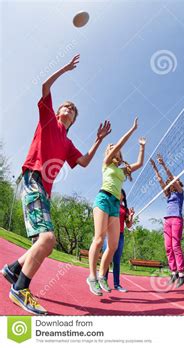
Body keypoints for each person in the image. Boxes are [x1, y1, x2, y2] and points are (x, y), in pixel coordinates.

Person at [2, 54, 112, 314]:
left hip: (44, 192)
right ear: (58, 111)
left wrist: (98, 140)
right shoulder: (48, 119)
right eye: (66, 106)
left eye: (73, 110)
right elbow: (45, 88)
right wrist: (64, 69)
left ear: (73, 120)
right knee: (48, 238)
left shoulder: (67, 143)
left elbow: (84, 161)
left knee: (44, 242)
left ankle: (13, 269)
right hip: (32, 179)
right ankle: (20, 289)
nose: (69, 109)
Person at [87, 118, 145, 296]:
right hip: (103, 198)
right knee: (98, 239)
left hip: (115, 204)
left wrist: (142, 146)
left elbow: (140, 164)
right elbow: (119, 144)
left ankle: (103, 276)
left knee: (112, 246)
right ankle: (92, 276)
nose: (115, 150)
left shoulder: (122, 170)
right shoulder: (106, 163)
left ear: (120, 158)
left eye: (116, 150)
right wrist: (132, 129)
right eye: (112, 149)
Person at [150, 154, 184, 288]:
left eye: (172, 182)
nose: (169, 184)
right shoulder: (169, 195)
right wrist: (155, 168)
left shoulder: (180, 192)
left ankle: (182, 273)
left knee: (175, 246)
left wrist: (163, 164)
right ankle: (173, 272)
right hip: (167, 221)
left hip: (176, 219)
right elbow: (160, 180)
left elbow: (171, 178)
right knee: (168, 247)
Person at [102, 189, 135, 292]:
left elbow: (129, 225)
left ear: (123, 196)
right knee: (107, 258)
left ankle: (117, 285)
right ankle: (104, 281)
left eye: (119, 192)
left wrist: (131, 216)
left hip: (120, 235)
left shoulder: (124, 209)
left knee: (116, 261)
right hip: (109, 234)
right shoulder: (112, 204)